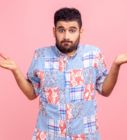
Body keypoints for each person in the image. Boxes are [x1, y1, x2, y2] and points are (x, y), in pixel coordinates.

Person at [0, 7, 127, 140]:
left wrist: (116, 65)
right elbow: (32, 93)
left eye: (72, 30)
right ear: (54, 31)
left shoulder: (93, 54)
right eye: (61, 30)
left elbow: (105, 90)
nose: (66, 36)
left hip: (85, 135)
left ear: (80, 31)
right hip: (49, 135)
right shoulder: (40, 56)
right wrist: (15, 70)